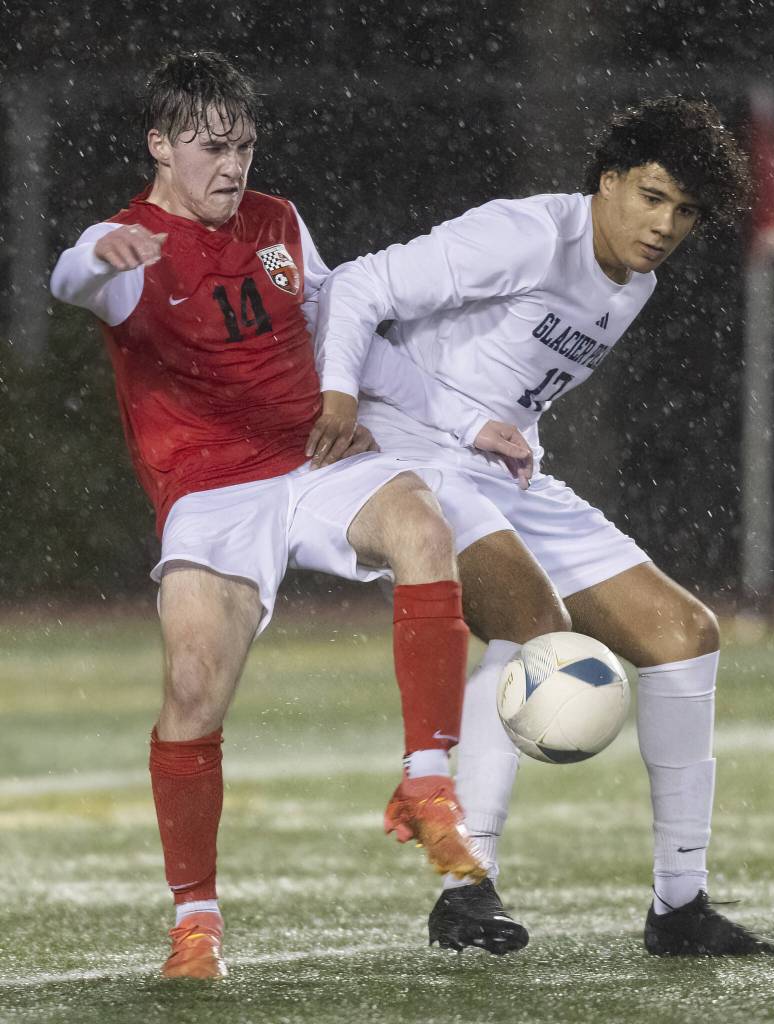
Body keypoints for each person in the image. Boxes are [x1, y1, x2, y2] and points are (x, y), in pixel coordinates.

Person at [49, 50, 532, 980]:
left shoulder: (277, 222)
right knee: (192, 691)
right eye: (210, 148)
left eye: (244, 146)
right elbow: (73, 281)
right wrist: (90, 256)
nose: (232, 167)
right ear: (160, 144)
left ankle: (429, 788)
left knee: (424, 526)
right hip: (211, 497)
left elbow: (343, 339)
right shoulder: (129, 245)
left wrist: (472, 421)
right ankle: (196, 924)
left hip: (312, 462)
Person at [315, 97, 774, 957]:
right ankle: (467, 887)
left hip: (497, 470)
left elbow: (510, 379)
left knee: (685, 636)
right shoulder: (528, 233)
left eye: (683, 212)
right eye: (650, 196)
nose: (663, 226)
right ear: (607, 182)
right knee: (532, 626)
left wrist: (516, 440)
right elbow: (357, 284)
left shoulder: (635, 282)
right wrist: (340, 395)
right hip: (413, 457)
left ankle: (679, 908)